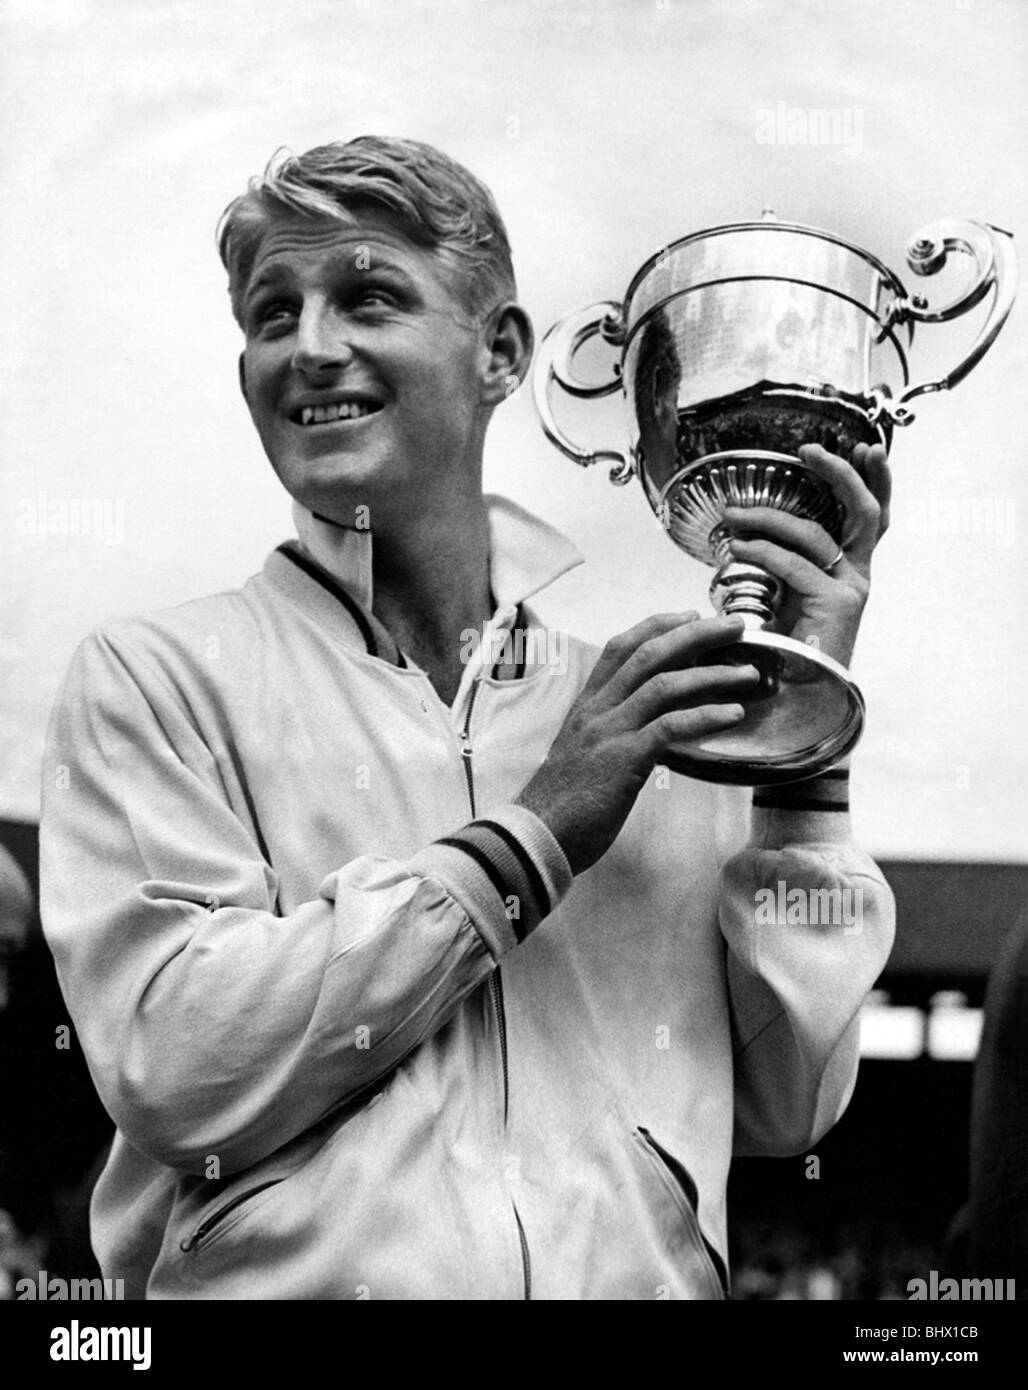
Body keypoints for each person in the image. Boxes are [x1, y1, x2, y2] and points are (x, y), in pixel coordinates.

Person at [39, 136, 895, 1300]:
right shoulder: (154, 678)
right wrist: (533, 839)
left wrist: (798, 757)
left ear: (499, 352)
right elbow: (177, 1060)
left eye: (368, 296)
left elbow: (790, 1101)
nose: (311, 347)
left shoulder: (647, 719)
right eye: (270, 312)